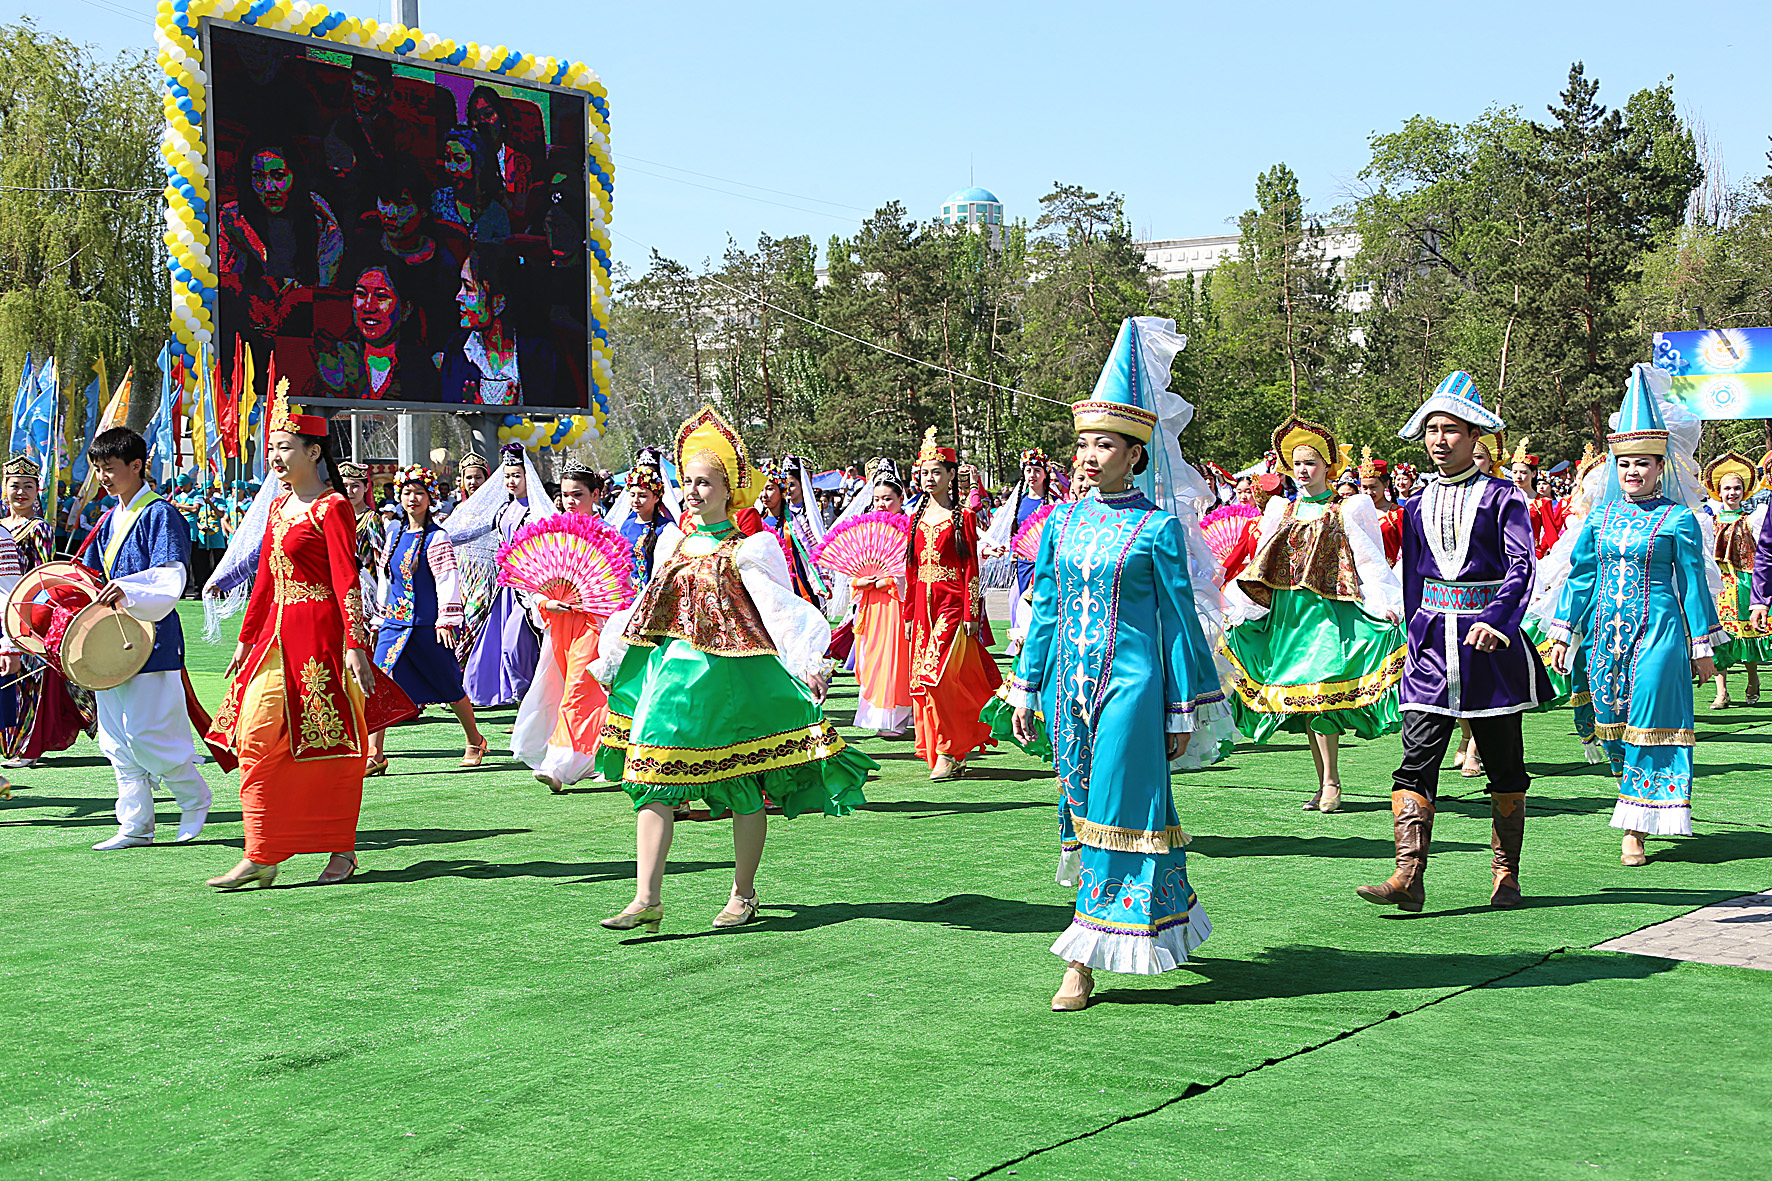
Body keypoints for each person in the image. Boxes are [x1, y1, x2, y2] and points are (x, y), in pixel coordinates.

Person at [1005, 317, 1235, 1010]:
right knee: (1080, 808)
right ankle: (1165, 918)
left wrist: (1181, 704)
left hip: (1133, 694)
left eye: (1103, 443)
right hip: (1067, 698)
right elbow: (1045, 608)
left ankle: (1081, 956)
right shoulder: (1060, 524)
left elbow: (1179, 623)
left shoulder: (1157, 529)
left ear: (1137, 455)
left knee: (1116, 808)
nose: (1087, 455)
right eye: (1081, 442)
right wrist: (1026, 686)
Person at [590, 406, 874, 932]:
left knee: (743, 782)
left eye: (704, 483)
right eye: (687, 482)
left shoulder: (753, 548)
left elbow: (779, 609)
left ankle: (742, 894)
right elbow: (647, 606)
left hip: (736, 680)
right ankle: (646, 898)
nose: (692, 491)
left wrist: (809, 659)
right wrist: (614, 655)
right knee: (651, 775)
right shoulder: (672, 544)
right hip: (674, 677)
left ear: (729, 489)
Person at [1355, 371, 1554, 912]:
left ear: (1475, 437)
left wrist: (1498, 618)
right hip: (1430, 651)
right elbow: (1413, 575)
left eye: (1451, 430)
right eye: (1432, 430)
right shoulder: (1416, 503)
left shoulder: (1504, 497)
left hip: (1489, 651)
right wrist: (1410, 627)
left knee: (1504, 762)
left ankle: (1506, 874)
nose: (1439, 440)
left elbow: (1521, 565)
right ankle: (1408, 875)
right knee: (1415, 760)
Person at [203, 389, 416, 889]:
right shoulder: (278, 508)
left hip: (321, 641)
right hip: (274, 640)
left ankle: (340, 851)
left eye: (284, 448)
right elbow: (263, 581)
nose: (275, 457)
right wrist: (245, 637)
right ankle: (262, 853)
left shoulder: (332, 507)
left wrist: (357, 646)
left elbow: (346, 579)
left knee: (333, 748)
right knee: (253, 738)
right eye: (272, 448)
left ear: (314, 452)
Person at [1548, 366, 1723, 868]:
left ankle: (1635, 828)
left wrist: (1703, 645)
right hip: (1606, 637)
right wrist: (1564, 633)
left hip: (1661, 636)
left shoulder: (1679, 518)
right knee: (1614, 723)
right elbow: (1581, 577)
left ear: (1660, 466)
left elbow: (1691, 584)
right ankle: (1639, 804)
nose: (1633, 472)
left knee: (1651, 723)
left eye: (1643, 464)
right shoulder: (1600, 518)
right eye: (1625, 464)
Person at [1221, 416, 1404, 814]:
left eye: (1312, 463)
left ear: (1327, 467)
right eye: (1298, 464)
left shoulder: (1348, 508)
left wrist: (1383, 602)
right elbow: (1261, 564)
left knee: (1321, 695)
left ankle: (1333, 782)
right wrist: (1245, 609)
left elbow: (1368, 559)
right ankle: (1323, 783)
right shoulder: (1280, 510)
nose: (1303, 470)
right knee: (1305, 698)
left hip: (1330, 613)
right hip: (1290, 616)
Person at [77, 428, 212, 852]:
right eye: (98, 469)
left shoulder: (160, 513)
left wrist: (129, 591)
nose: (103, 476)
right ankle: (136, 824)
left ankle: (194, 797)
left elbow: (171, 576)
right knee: (115, 735)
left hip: (150, 636)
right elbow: (88, 575)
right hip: (109, 638)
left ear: (136, 466)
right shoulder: (108, 517)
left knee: (150, 731)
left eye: (110, 468)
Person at [367, 465, 487, 775]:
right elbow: (386, 579)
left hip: (426, 625)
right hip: (395, 624)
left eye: (419, 493)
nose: (412, 498)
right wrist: (379, 618)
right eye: (407, 492)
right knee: (379, 683)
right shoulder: (393, 533)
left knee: (447, 683)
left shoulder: (437, 537)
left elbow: (447, 578)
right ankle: (374, 753)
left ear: (430, 497)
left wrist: (446, 619)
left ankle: (474, 740)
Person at [512, 463, 621, 792]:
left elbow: (618, 587)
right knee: (558, 690)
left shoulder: (608, 537)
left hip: (593, 623)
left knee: (576, 691)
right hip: (558, 626)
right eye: (565, 495)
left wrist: (593, 603)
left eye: (579, 494)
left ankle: (559, 765)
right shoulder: (554, 533)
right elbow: (535, 586)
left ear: (596, 495)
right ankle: (601, 755)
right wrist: (547, 603)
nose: (570, 501)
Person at [903, 429, 1000, 779]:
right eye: (925, 472)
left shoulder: (963, 516)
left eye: (937, 472)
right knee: (921, 681)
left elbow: (971, 566)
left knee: (938, 677)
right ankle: (946, 748)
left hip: (951, 605)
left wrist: (971, 612)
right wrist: (909, 615)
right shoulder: (915, 517)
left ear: (950, 475)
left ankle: (949, 748)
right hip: (922, 608)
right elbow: (912, 570)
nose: (930, 479)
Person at [0, 454, 93, 768]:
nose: (21, 493)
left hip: (28, 610)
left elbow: (42, 574)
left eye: (28, 486)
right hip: (2, 608)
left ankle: (25, 743)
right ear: (5, 488)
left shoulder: (38, 529)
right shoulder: (1, 528)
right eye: (15, 486)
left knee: (27, 679)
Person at [457, 444, 544, 705]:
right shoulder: (504, 510)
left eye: (516, 475)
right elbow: (472, 532)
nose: (511, 481)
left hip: (528, 587)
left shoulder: (538, 512)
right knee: (498, 644)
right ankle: (517, 698)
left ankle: (528, 698)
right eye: (507, 476)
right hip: (505, 586)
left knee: (515, 646)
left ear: (528, 476)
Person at [439, 246, 560, 406]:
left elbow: (549, 417)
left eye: (468, 288)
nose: (458, 296)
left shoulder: (540, 354)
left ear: (498, 303)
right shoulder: (457, 349)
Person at [317, 260, 439, 401]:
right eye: (361, 294)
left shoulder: (421, 367)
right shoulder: (333, 358)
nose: (368, 306)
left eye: (381, 297)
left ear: (406, 309)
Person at [980, 447, 1062, 654]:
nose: (1032, 475)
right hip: (1023, 563)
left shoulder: (1054, 503)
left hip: (1047, 564)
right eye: (1028, 470)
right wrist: (1009, 549)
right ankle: (1022, 647)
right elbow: (1012, 532)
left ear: (1045, 474)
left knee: (1043, 606)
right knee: (1020, 603)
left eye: (1036, 470)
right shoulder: (1018, 502)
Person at [1703, 451, 1768, 708]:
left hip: (1742, 582)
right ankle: (1722, 691)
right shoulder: (1709, 521)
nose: (1732, 492)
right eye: (1727, 488)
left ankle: (1753, 680)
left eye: (1737, 488)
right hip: (1718, 583)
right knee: (1719, 637)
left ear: (1745, 490)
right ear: (1719, 491)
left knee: (1746, 634)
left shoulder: (1753, 520)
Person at [850, 478, 913, 737]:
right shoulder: (868, 529)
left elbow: (910, 572)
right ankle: (874, 716)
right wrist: (860, 581)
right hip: (871, 605)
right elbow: (854, 568)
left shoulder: (909, 529)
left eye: (888, 498)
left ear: (901, 499)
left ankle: (897, 719)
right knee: (871, 658)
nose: (882, 504)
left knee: (895, 659)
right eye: (877, 499)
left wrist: (886, 581)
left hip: (895, 603)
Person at [431, 125, 512, 245]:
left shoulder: (495, 212)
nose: (451, 168)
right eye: (447, 159)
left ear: (477, 163)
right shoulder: (439, 200)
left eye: (459, 160)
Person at [617, 465, 680, 588]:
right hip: (625, 592)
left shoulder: (666, 528)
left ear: (656, 498)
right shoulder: (626, 524)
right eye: (632, 495)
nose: (636, 500)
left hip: (650, 594)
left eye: (642, 496)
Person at [1508, 442, 1564, 558]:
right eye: (1515, 472)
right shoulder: (1504, 498)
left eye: (1523, 472)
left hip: (1529, 557)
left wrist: (1539, 552)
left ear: (1533, 474)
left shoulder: (1543, 502)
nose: (1518, 476)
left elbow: (1551, 535)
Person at [1359, 448, 1403, 566]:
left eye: (1373, 487)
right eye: (1364, 487)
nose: (1369, 492)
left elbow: (1408, 550)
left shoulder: (1398, 513)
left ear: (1386, 484)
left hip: (1389, 576)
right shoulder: (1357, 513)